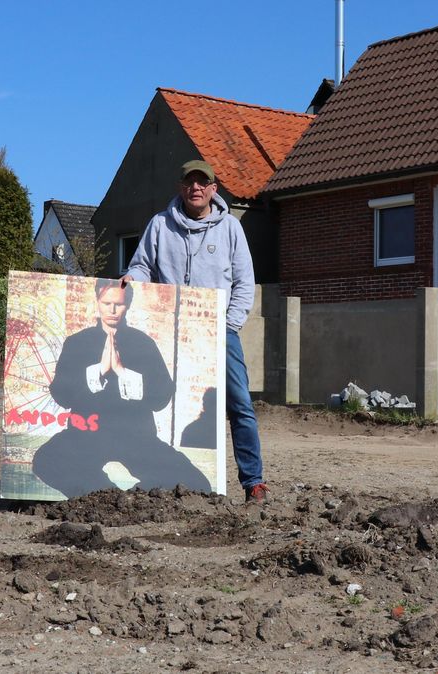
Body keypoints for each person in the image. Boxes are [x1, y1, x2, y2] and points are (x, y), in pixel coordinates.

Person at [122, 159, 270, 503]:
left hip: (220, 331)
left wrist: (228, 325)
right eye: (189, 182)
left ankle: (254, 482)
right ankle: (165, 479)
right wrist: (134, 278)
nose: (196, 188)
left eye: (202, 183)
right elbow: (142, 265)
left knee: (240, 405)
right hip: (169, 331)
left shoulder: (231, 227)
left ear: (213, 189)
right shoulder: (159, 225)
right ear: (181, 187)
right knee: (166, 403)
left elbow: (244, 282)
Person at [31, 278, 213, 497]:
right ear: (97, 301)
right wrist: (98, 370)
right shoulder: (77, 342)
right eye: (107, 303)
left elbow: (161, 397)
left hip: (136, 436)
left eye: (119, 303)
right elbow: (61, 394)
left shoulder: (143, 343)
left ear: (128, 304)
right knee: (46, 460)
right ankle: (106, 496)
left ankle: (138, 497)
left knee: (197, 482)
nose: (113, 309)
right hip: (86, 434)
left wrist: (122, 372)